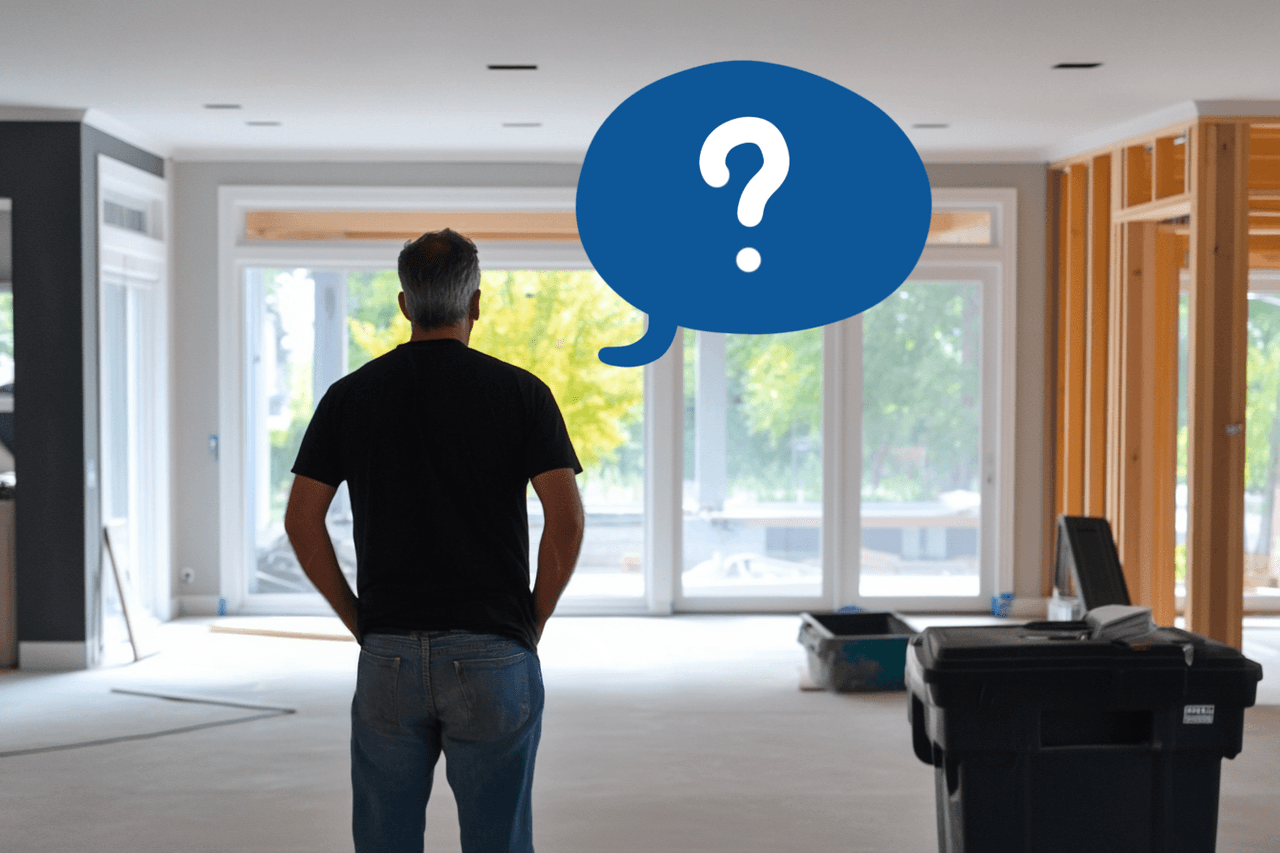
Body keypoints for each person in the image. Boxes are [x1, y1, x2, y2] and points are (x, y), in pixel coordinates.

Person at [283, 228, 586, 853]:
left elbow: (301, 518)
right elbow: (566, 518)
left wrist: (360, 620)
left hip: (387, 653)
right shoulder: (522, 393)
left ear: (403, 305)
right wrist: (531, 621)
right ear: (476, 302)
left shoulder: (350, 397)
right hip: (493, 650)